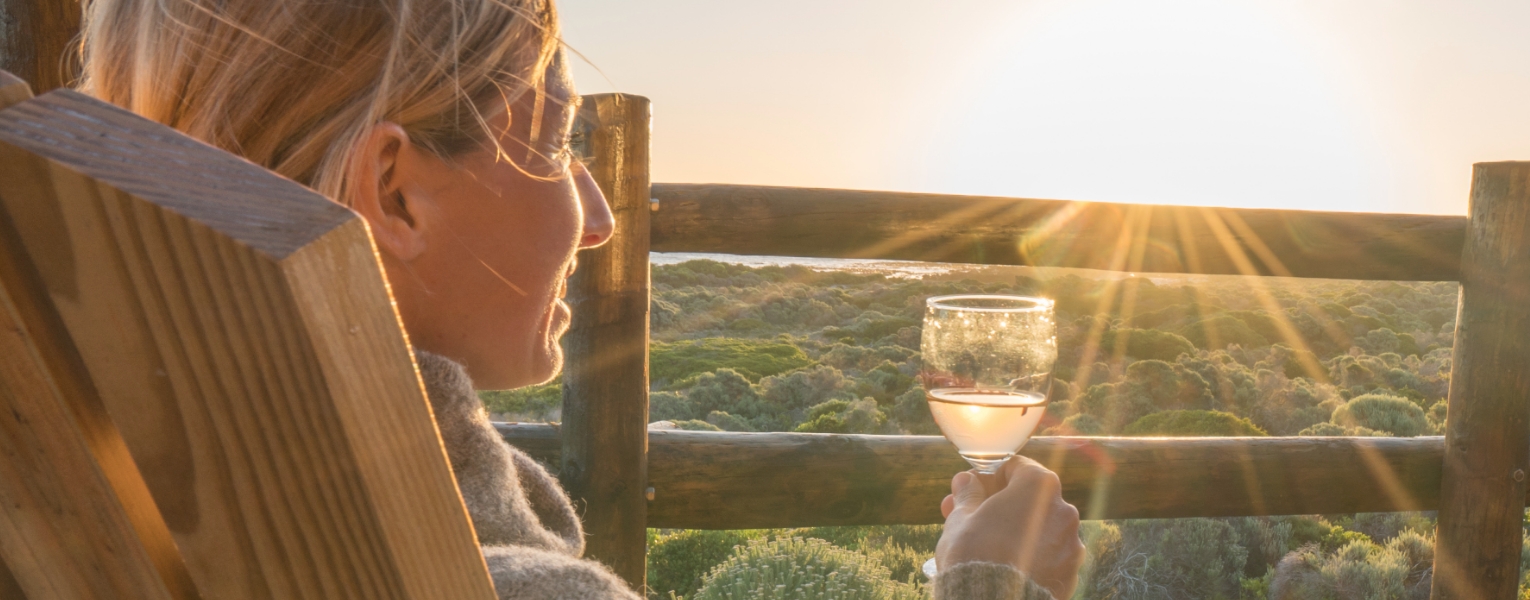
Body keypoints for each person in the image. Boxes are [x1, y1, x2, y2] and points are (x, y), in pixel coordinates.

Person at [74, 0, 1084, 597]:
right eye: (558, 144)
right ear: (392, 192)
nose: (598, 219)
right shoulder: (468, 568)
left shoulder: (118, 450)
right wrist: (993, 584)